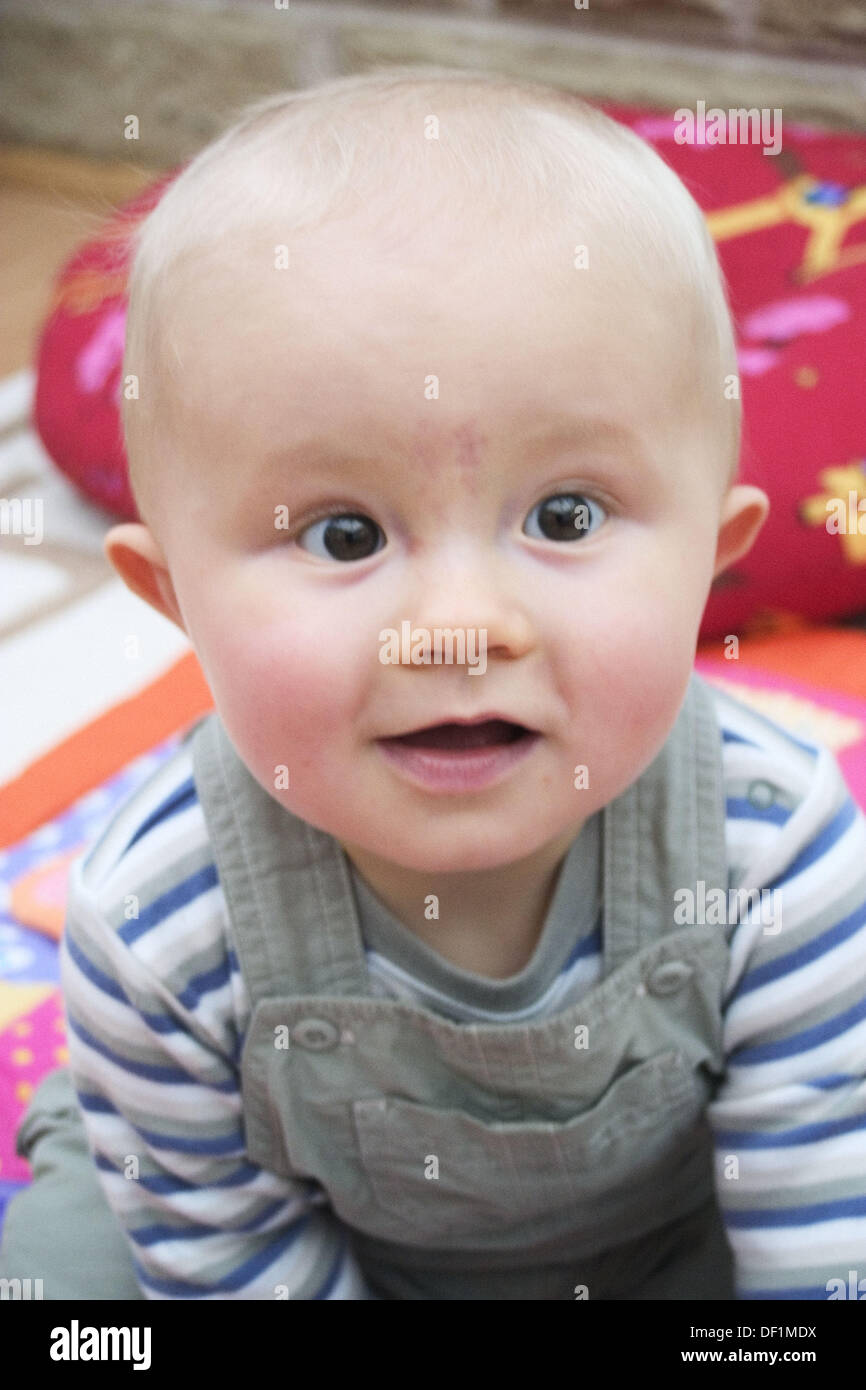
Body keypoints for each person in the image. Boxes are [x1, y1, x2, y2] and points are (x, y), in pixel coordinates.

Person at [2, 66, 864, 1301]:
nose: (457, 630)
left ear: (708, 567)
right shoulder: (153, 924)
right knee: (68, 1284)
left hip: (666, 1227)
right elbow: (229, 1256)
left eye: (564, 515)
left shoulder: (774, 849)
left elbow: (817, 1212)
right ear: (173, 598)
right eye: (343, 535)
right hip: (290, 1225)